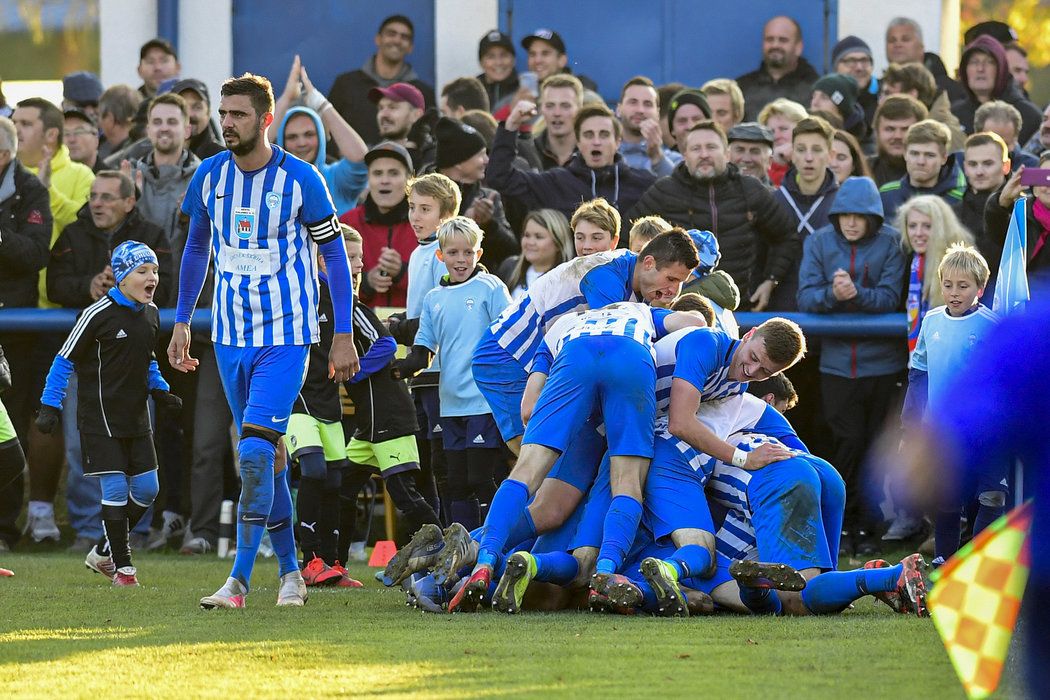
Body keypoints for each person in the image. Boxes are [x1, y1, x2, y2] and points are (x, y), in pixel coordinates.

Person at [169, 73, 359, 609]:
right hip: (228, 335)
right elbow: (195, 249)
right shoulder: (208, 176)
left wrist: (342, 332)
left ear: (265, 119)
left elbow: (335, 259)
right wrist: (183, 320)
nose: (227, 123)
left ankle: (240, 579)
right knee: (267, 457)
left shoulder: (302, 180)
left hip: (287, 335)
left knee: (252, 452)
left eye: (238, 115)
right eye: (223, 113)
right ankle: (293, 573)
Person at [452, 299, 705, 611]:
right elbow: (694, 323)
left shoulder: (561, 326)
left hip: (573, 357)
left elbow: (528, 409)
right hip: (630, 355)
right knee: (627, 485)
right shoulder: (641, 311)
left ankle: (485, 559)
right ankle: (606, 575)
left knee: (524, 474)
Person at [473, 229, 700, 454]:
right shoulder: (607, 275)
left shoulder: (639, 281)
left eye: (680, 282)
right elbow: (608, 349)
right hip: (507, 352)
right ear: (648, 263)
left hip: (540, 355)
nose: (673, 291)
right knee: (535, 445)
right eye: (671, 279)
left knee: (560, 445)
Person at [36, 241, 177, 587]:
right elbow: (63, 360)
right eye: (142, 271)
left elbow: (148, 359)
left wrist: (159, 390)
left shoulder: (152, 314)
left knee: (147, 489)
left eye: (155, 271)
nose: (152, 277)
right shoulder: (96, 314)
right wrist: (50, 405)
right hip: (99, 420)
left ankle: (102, 549)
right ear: (122, 277)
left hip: (136, 420)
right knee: (114, 489)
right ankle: (124, 569)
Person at [798, 176, 907, 556]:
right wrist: (833, 293)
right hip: (837, 365)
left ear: (874, 217)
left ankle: (869, 526)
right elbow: (807, 297)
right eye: (845, 215)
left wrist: (855, 294)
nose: (851, 222)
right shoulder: (818, 241)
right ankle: (843, 525)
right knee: (844, 445)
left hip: (883, 366)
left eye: (860, 216)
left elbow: (893, 298)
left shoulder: (892, 241)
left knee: (877, 448)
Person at [396, 217, 511, 531]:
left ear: (479, 254)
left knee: (482, 477)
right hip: (450, 403)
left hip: (483, 401)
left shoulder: (491, 287)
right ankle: (463, 552)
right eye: (453, 253)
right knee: (456, 481)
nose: (461, 260)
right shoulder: (434, 299)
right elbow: (422, 351)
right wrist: (394, 370)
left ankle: (494, 544)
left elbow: (511, 335)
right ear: (440, 255)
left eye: (468, 252)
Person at [629, 121, 798, 311]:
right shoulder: (664, 191)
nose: (704, 154)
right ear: (684, 155)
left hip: (743, 309)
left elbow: (787, 237)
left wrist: (770, 281)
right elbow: (628, 238)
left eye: (711, 147)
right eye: (695, 148)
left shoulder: (750, 190)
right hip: (679, 309)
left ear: (727, 154)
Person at [902, 243, 1000, 566]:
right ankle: (942, 566)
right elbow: (919, 374)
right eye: (948, 285)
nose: (954, 293)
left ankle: (979, 567)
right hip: (941, 433)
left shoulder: (991, 325)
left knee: (990, 495)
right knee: (947, 500)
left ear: (980, 289)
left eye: (963, 286)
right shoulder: (930, 322)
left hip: (982, 432)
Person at [284, 223, 363, 588]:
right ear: (321, 258)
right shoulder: (300, 290)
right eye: (347, 259)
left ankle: (332, 561)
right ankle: (308, 558)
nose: (356, 266)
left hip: (327, 400)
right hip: (297, 397)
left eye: (357, 259)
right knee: (313, 470)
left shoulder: (344, 302)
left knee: (334, 479)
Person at [0, 115, 51, 550]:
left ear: (4, 155)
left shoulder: (31, 190)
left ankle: (2, 529)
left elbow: (37, 254)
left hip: (13, 332)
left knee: (9, 431)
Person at [488, 102, 656, 231]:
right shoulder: (556, 182)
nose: (596, 141)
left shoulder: (643, 183)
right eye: (588, 135)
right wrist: (510, 126)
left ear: (617, 142)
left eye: (604, 135)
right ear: (578, 142)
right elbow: (500, 177)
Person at [272, 56, 369, 217]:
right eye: (292, 137)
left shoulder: (336, 179)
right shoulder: (271, 179)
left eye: (309, 134)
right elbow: (252, 153)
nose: (301, 143)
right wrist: (285, 99)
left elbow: (359, 158)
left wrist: (320, 103)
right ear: (281, 141)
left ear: (322, 137)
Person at [327, 14, 435, 147]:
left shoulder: (424, 93)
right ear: (378, 39)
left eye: (404, 37)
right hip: (350, 166)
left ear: (410, 47)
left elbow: (431, 141)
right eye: (391, 34)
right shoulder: (346, 84)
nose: (397, 40)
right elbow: (328, 131)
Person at [13, 97, 95, 262]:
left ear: (51, 134)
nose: (15, 129)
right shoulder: (5, 174)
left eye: (25, 124)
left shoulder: (82, 175)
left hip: (61, 284)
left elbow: (87, 229)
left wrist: (46, 190)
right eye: (13, 122)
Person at [771, 116, 839, 311]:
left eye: (817, 150)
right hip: (781, 306)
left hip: (828, 309)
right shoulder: (775, 200)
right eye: (801, 150)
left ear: (830, 155)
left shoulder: (843, 203)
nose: (809, 158)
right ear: (792, 153)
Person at [339, 141, 415, 308]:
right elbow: (329, 280)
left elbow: (442, 282)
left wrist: (403, 272)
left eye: (394, 173)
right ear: (368, 179)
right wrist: (365, 282)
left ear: (409, 179)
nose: (384, 180)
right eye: (377, 173)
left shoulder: (424, 223)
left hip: (414, 328)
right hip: (363, 327)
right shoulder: (347, 223)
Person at [433, 117, 517, 267]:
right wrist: (463, 222)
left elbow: (511, 250)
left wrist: (488, 225)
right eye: (480, 155)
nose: (486, 160)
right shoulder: (426, 195)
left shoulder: (488, 197)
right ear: (458, 161)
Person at [896, 194, 975, 354]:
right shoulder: (912, 261)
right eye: (912, 226)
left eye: (927, 226)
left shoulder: (961, 263)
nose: (918, 233)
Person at [951, 35, 1041, 146]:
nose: (980, 69)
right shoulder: (953, 115)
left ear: (1002, 69)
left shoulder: (1029, 116)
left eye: (989, 62)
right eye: (974, 62)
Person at [984, 151, 1050, 291]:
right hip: (1028, 301)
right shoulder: (1021, 214)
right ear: (1035, 188)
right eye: (1045, 178)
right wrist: (1002, 201)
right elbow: (995, 230)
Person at [736, 16, 819, 121]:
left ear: (798, 47)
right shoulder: (741, 88)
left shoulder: (816, 90)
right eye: (769, 39)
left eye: (783, 40)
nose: (775, 45)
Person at [879, 119, 965, 221]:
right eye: (914, 154)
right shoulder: (886, 194)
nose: (921, 162)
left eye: (929, 155)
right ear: (905, 154)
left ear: (944, 159)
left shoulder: (961, 199)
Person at [954, 131, 1009, 273]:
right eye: (973, 164)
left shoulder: (1024, 208)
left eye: (988, 164)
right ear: (965, 168)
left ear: (1006, 166)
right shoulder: (953, 213)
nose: (979, 172)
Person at [880, 62, 966, 152]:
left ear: (911, 95)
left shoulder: (947, 135)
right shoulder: (886, 128)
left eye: (888, 94)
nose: (881, 101)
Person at [884, 17, 965, 103]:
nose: (897, 44)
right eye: (892, 40)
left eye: (905, 39)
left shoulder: (948, 90)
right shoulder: (877, 90)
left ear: (921, 46)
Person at [498, 209, 573, 299]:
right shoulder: (509, 267)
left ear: (558, 243)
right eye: (527, 235)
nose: (530, 242)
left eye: (539, 237)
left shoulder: (568, 281)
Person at [617, 76, 683, 177]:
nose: (640, 110)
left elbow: (681, 189)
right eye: (633, 102)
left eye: (647, 104)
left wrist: (657, 158)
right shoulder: (604, 154)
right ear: (619, 109)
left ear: (657, 113)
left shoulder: (676, 160)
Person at [868, 95, 929, 188]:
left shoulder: (943, 175)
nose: (898, 136)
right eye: (890, 129)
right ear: (877, 132)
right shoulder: (862, 171)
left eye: (906, 129)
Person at [531, 75, 583, 171]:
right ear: (541, 109)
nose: (557, 113)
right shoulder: (529, 152)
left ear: (579, 109)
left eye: (565, 106)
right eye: (550, 106)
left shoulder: (592, 153)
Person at [521, 28, 597, 93]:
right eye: (532, 54)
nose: (537, 60)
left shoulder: (581, 91)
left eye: (545, 54)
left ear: (562, 60)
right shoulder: (521, 93)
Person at [972, 100, 1038, 172]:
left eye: (1004, 144)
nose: (996, 151)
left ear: (1015, 138)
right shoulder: (960, 163)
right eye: (991, 143)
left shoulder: (1033, 167)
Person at [756, 98, 807, 187]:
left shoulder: (818, 157)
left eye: (783, 129)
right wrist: (777, 164)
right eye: (771, 131)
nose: (776, 136)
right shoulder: (758, 164)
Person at [171, 79, 224, 160]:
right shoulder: (150, 156)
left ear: (208, 113)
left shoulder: (225, 159)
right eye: (181, 107)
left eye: (197, 107)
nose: (189, 114)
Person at [831, 36, 878, 127]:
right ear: (836, 68)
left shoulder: (883, 98)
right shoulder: (823, 100)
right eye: (851, 61)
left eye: (864, 61)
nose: (859, 68)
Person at [810, 74, 867, 145]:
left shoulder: (862, 144)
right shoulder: (802, 132)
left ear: (841, 108)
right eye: (813, 96)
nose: (815, 103)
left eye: (824, 97)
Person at [476, 30, 519, 118]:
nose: (498, 62)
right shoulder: (472, 90)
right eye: (491, 56)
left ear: (513, 60)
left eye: (503, 55)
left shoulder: (523, 88)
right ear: (481, 63)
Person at [97, 85, 142, 161]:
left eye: (99, 115)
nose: (99, 123)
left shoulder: (102, 155)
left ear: (110, 118)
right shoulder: (148, 149)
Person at [666, 89, 712, 153]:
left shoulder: (725, 160)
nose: (690, 126)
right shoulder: (662, 161)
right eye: (682, 121)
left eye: (697, 119)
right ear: (672, 130)